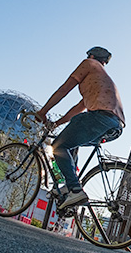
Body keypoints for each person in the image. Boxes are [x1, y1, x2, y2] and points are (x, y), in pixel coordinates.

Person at [35, 47, 126, 209]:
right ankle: (70, 185)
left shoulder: (88, 63)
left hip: (100, 117)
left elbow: (64, 90)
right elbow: (78, 108)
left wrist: (43, 112)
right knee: (72, 143)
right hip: (115, 126)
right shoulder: (100, 80)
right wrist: (55, 124)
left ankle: (75, 189)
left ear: (91, 56)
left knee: (58, 146)